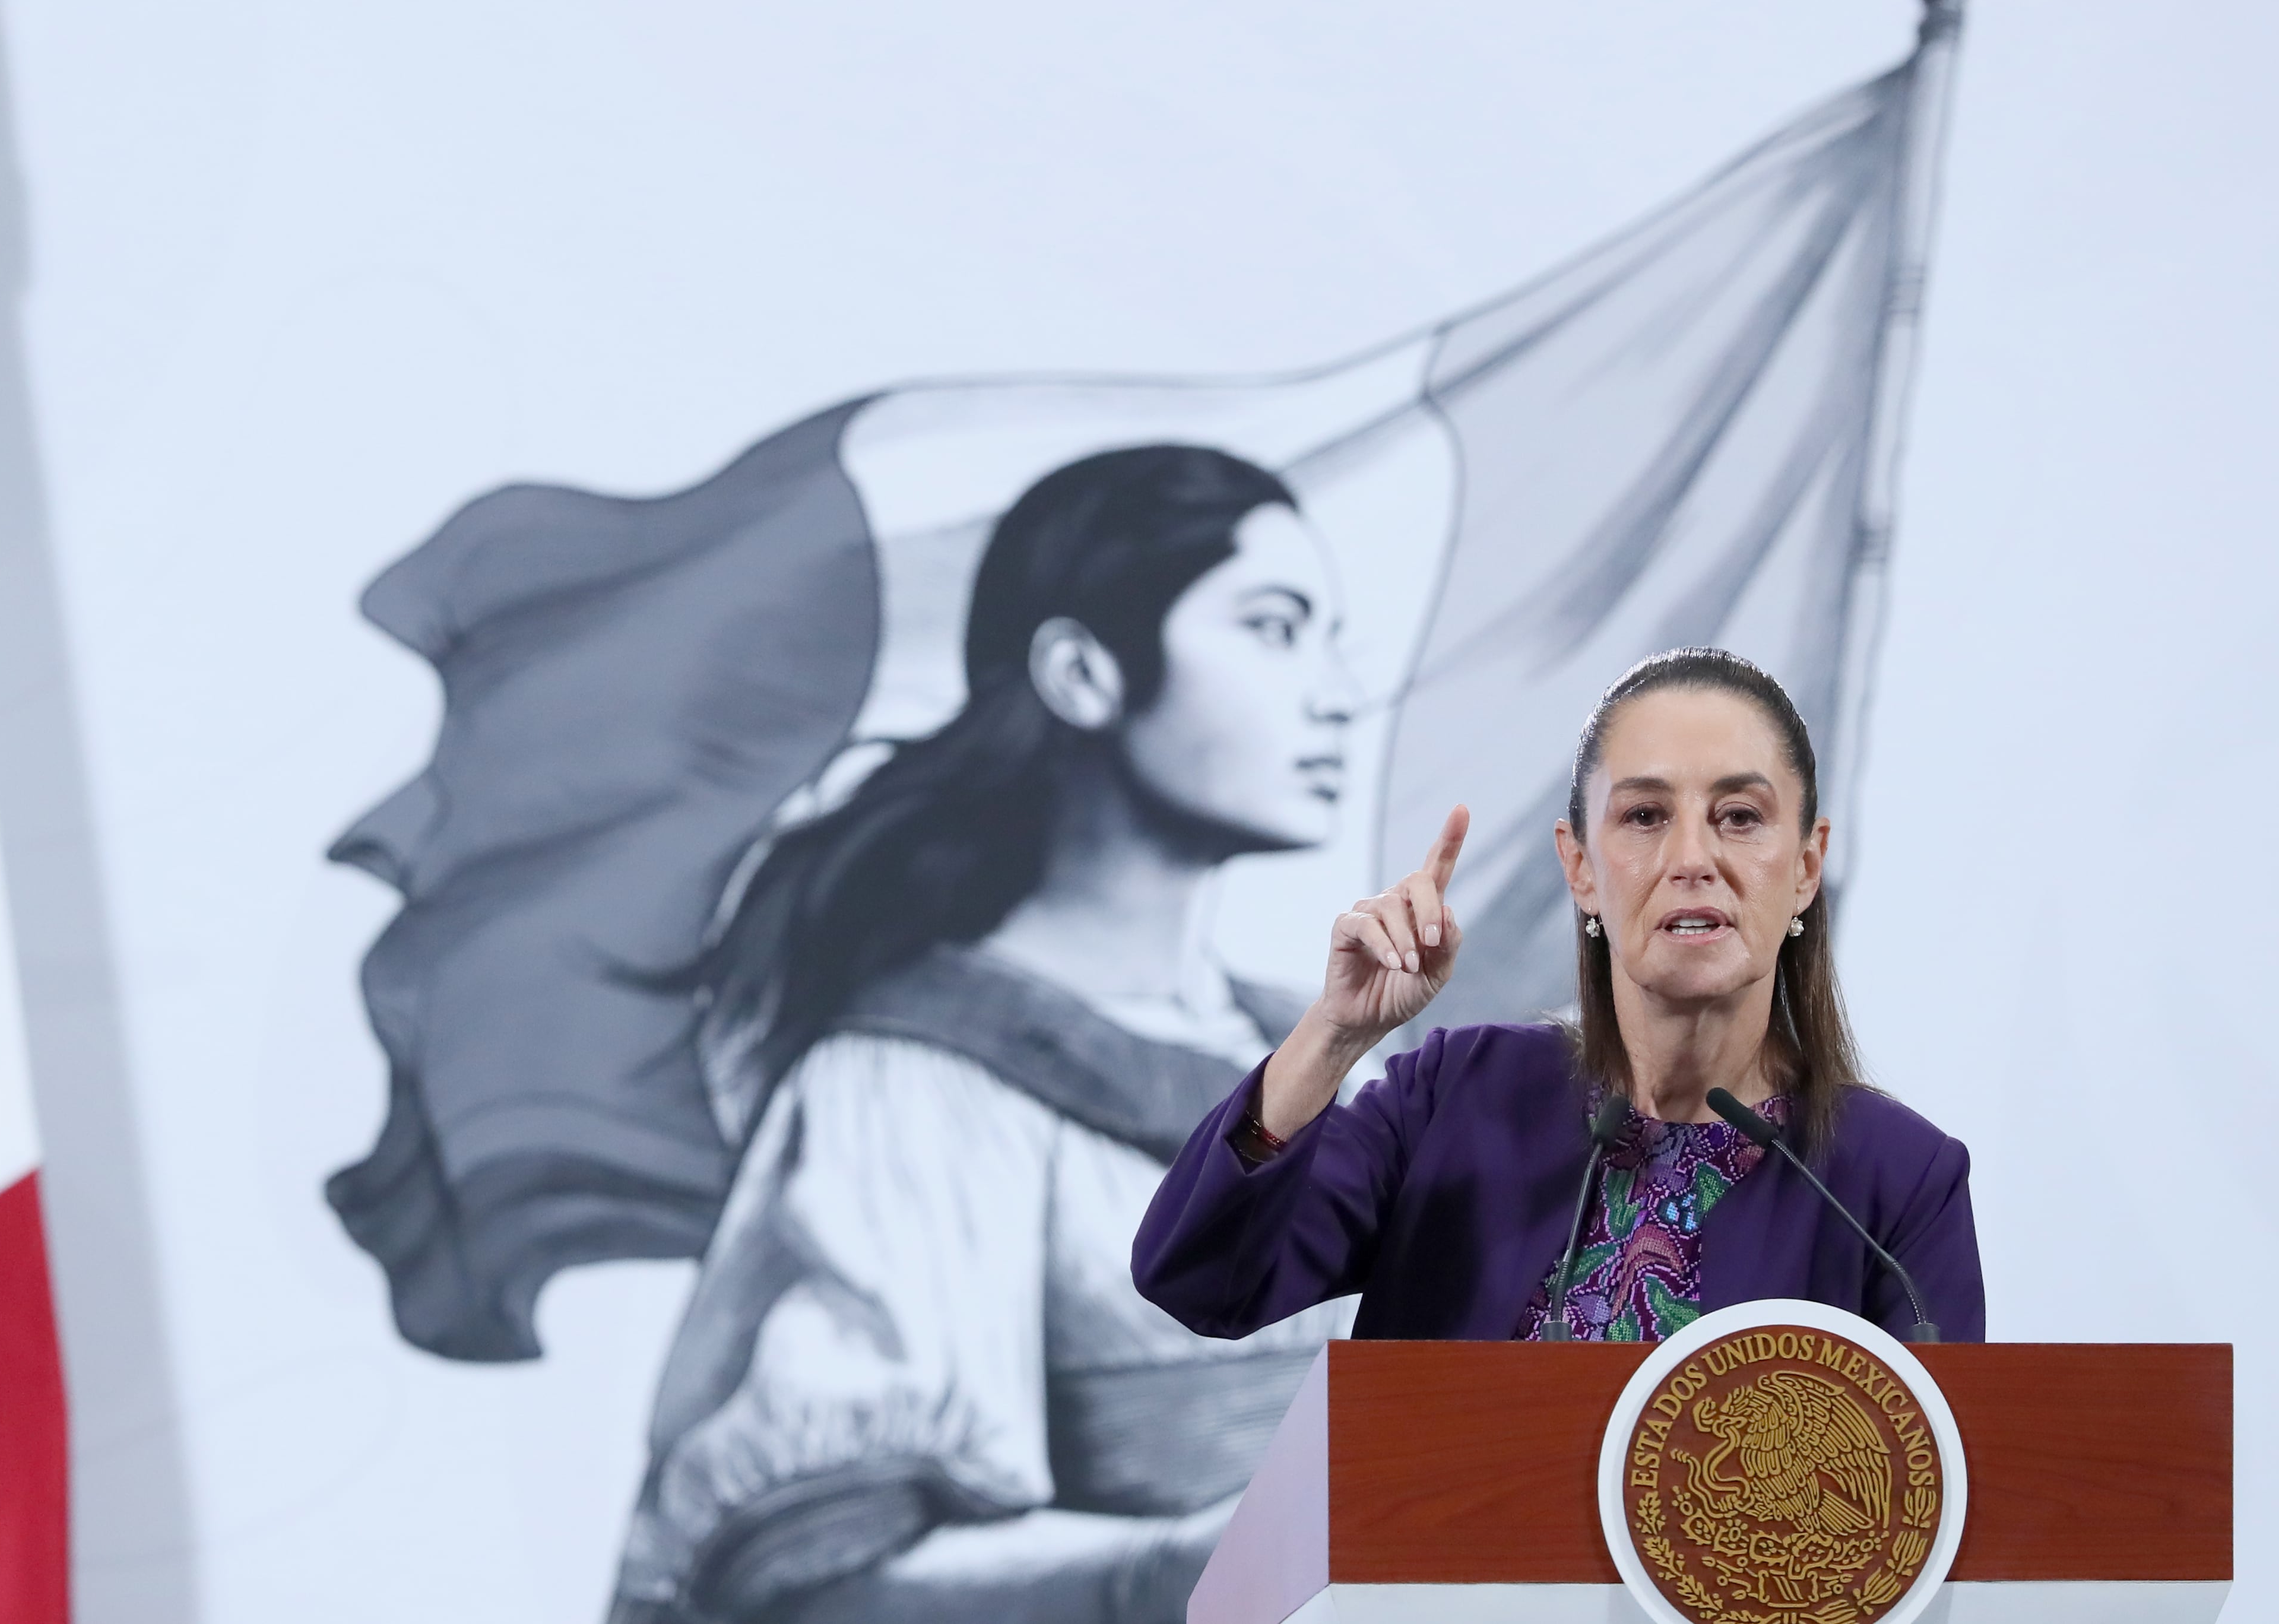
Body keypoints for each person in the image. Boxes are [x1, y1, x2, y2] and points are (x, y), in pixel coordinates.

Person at [609, 445, 1366, 1624]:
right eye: (1273, 629)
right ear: (1082, 673)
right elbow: (815, 1577)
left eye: (1332, 638)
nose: (1338, 691)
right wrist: (1195, 1565)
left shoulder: (1334, 1058)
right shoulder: (911, 1086)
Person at [1133, 647, 1983, 1349]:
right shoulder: (1458, 1096)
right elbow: (1202, 1280)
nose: (1692, 858)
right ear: (1579, 866)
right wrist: (1334, 1033)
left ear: (1805, 866)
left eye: (1739, 817)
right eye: (1645, 816)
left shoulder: (1899, 1182)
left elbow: (1931, 1476)